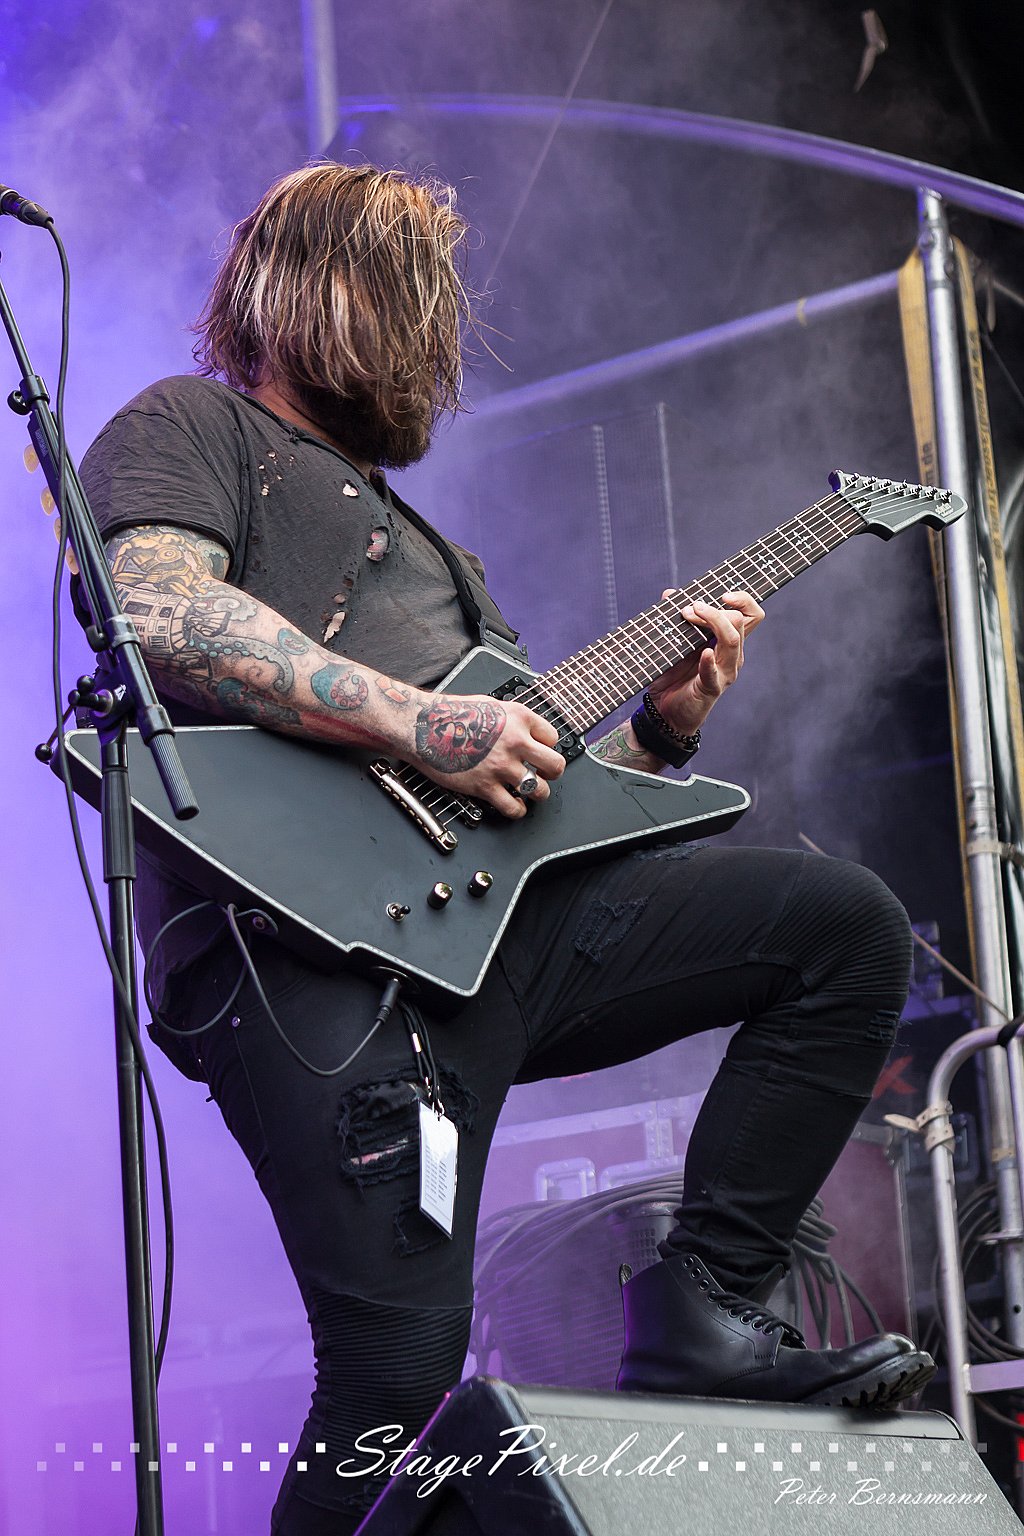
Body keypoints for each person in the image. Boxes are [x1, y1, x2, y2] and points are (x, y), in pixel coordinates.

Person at [80, 163, 934, 1535]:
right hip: (306, 954)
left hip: (489, 941)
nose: (437, 340)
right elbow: (156, 614)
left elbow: (531, 811)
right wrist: (424, 721)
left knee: (843, 930)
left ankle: (706, 1306)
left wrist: (657, 733)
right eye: (408, 295)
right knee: (397, 1381)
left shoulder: (445, 560)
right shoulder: (192, 427)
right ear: (310, 288)